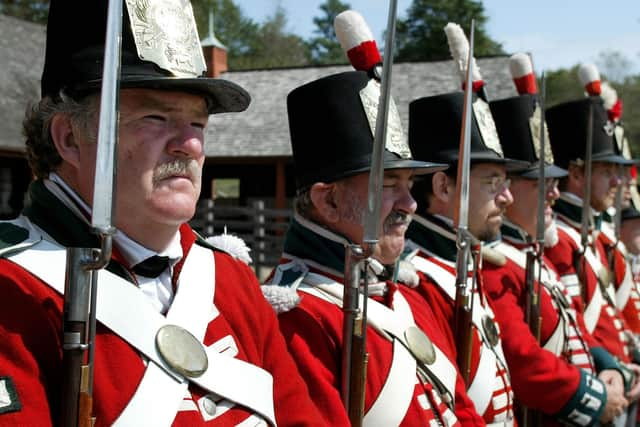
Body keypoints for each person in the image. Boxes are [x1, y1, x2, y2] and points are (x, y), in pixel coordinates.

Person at [0, 0, 324, 425]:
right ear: (71, 138)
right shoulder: (12, 290)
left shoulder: (230, 279)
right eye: (156, 117)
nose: (190, 145)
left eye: (199, 125)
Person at [262, 70, 484, 426]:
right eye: (389, 184)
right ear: (329, 201)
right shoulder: (298, 319)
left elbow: (462, 408)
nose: (410, 204)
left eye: (409, 184)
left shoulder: (407, 299)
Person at [481, 57, 626, 425]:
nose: (554, 193)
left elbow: (575, 329)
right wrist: (595, 398)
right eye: (541, 183)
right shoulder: (497, 261)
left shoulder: (532, 252)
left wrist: (609, 366)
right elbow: (522, 357)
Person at [403, 86, 523, 425]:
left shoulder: (458, 258)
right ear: (443, 187)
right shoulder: (418, 277)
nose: (507, 198)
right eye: (492, 182)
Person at [544, 72, 640, 423]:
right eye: (606, 170)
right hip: (599, 385)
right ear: (576, 173)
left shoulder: (590, 236)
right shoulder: (560, 239)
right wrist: (617, 369)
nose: (619, 182)